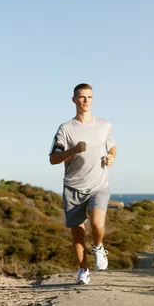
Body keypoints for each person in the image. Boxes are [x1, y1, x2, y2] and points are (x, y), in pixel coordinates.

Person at [49, 83, 117, 285]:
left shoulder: (105, 125)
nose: (86, 100)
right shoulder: (66, 128)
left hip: (98, 184)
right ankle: (83, 270)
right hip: (73, 186)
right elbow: (53, 158)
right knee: (78, 232)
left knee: (97, 223)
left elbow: (112, 147)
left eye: (89, 97)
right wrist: (74, 150)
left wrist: (111, 157)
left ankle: (98, 247)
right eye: (81, 97)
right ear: (74, 100)